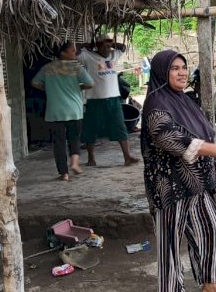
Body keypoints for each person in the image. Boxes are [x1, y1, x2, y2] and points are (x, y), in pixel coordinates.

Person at [141, 49, 216, 292]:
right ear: (161, 72)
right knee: (171, 241)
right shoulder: (156, 104)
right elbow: (170, 139)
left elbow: (202, 134)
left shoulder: (186, 101)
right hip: (170, 186)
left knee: (210, 229)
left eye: (184, 67)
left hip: (200, 182)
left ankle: (210, 286)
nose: (182, 72)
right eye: (174, 68)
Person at [31, 41, 94, 181]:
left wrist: (49, 88)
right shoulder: (77, 68)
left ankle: (64, 173)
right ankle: (75, 164)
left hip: (55, 111)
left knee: (58, 143)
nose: (75, 53)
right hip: (74, 110)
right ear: (62, 53)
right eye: (72, 51)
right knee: (74, 139)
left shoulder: (47, 68)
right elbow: (90, 83)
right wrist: (78, 88)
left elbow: (35, 83)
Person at [77, 33, 139, 166]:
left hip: (113, 100)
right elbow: (75, 50)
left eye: (109, 47)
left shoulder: (113, 54)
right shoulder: (87, 56)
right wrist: (89, 45)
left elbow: (123, 47)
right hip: (95, 100)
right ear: (98, 46)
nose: (107, 50)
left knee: (120, 127)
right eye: (104, 47)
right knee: (90, 129)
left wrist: (110, 43)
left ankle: (127, 157)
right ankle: (91, 159)